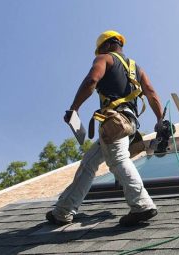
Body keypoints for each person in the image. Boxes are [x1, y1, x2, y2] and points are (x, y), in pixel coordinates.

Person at [46, 30, 163, 227]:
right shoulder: (137, 68)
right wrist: (160, 119)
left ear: (108, 45)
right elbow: (151, 93)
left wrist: (74, 109)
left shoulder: (105, 59)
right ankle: (63, 211)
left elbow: (92, 81)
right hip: (129, 123)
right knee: (89, 163)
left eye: (100, 49)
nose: (98, 53)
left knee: (118, 159)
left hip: (115, 121)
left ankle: (142, 205)